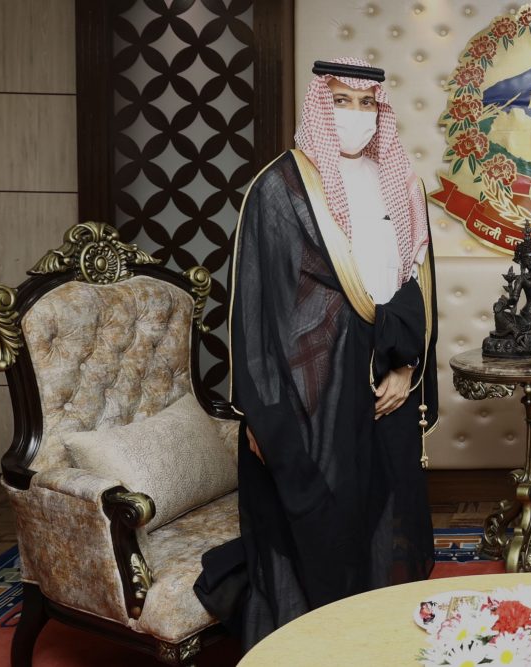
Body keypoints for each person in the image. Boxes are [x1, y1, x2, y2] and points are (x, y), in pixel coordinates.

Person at [194, 57, 439, 651]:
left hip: (386, 381)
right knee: (319, 524)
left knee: (383, 511)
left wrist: (406, 368)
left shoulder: (401, 182)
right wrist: (263, 412)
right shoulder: (280, 188)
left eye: (366, 103)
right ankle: (312, 648)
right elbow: (258, 308)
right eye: (340, 101)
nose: (355, 115)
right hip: (310, 391)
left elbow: (415, 286)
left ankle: (377, 642)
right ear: (318, 106)